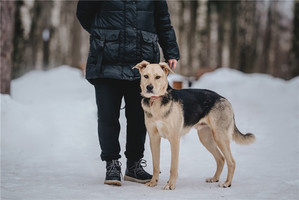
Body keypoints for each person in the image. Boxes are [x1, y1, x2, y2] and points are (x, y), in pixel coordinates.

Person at [76, 0, 180, 186]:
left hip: (142, 66)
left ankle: (134, 166)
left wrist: (171, 51)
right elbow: (84, 13)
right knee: (108, 117)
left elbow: (163, 21)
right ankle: (112, 164)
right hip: (106, 61)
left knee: (139, 118)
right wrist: (103, 34)